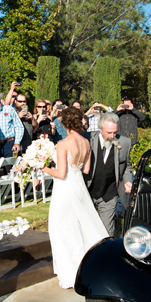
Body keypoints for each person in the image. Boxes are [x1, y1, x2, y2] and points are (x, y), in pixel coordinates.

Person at [42, 106, 108, 289]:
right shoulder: (86, 143)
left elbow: (61, 173)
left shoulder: (63, 144)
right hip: (79, 187)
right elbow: (86, 170)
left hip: (64, 189)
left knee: (62, 228)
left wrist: (43, 168)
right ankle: (87, 267)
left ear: (64, 123)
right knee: (81, 226)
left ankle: (71, 272)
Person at [84, 112, 133, 238]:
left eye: (115, 132)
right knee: (86, 227)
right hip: (88, 190)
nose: (112, 136)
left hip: (110, 193)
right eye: (109, 133)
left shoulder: (125, 142)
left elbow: (127, 165)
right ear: (100, 130)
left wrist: (128, 180)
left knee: (106, 231)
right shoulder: (87, 139)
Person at [0, 90, 23, 161]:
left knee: (11, 167)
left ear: (0, 100)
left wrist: (17, 142)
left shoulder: (9, 109)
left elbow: (18, 126)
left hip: (10, 143)